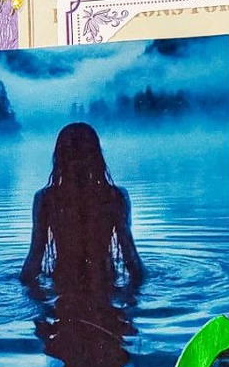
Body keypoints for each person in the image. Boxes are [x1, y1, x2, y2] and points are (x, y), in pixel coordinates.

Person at [19, 122, 145, 292]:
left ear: (59, 158)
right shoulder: (115, 197)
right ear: (96, 157)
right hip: (104, 283)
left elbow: (33, 262)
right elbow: (132, 262)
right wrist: (132, 296)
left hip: (64, 285)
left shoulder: (46, 199)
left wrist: (34, 297)